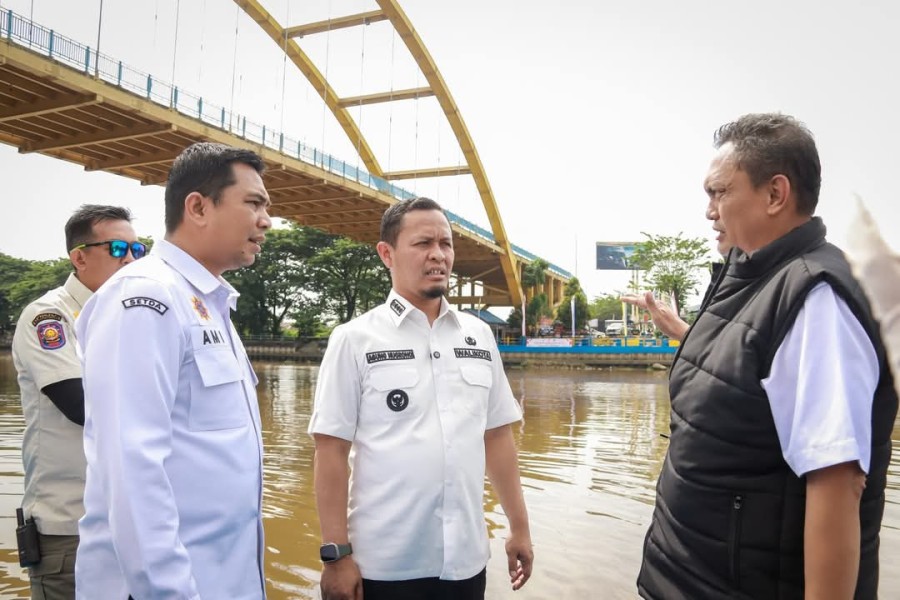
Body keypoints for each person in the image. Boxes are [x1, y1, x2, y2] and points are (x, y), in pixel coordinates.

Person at [637, 113, 898, 599]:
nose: (709, 211)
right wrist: (680, 331)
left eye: (719, 193)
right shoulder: (748, 277)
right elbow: (743, 369)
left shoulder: (816, 300)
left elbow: (836, 483)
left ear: (775, 194)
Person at [308, 197, 533, 600]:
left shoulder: (479, 335)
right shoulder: (354, 339)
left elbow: (497, 437)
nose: (438, 255)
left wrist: (519, 527)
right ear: (387, 253)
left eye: (445, 244)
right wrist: (335, 554)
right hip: (384, 565)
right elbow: (331, 450)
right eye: (423, 243)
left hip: (465, 562)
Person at [74, 142, 271, 599]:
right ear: (198, 207)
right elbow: (132, 469)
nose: (266, 221)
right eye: (254, 204)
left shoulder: (206, 302)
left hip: (221, 581)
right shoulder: (146, 298)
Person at [12, 205, 144, 600]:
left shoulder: (130, 318)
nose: (131, 259)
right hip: (70, 526)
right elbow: (79, 405)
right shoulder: (48, 317)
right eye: (119, 247)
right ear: (80, 256)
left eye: (139, 249)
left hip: (129, 521)